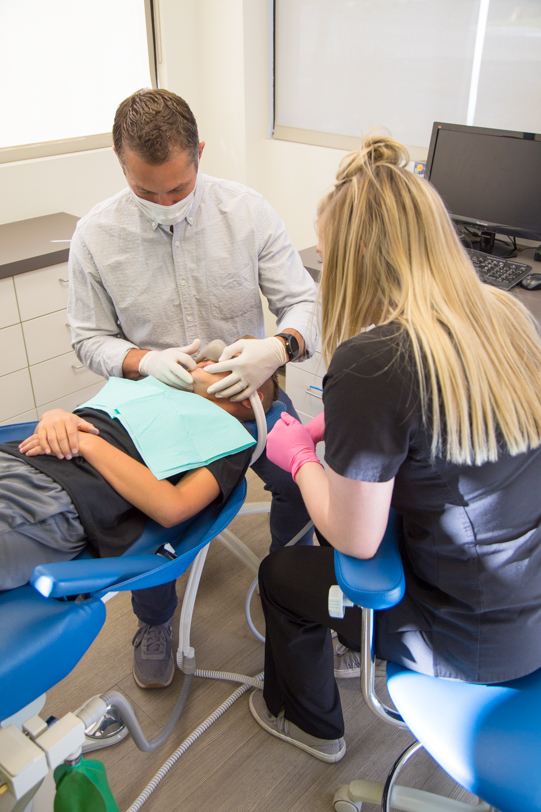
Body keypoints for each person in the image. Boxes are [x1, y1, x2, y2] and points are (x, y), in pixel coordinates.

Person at [248, 134, 541, 763]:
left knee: (281, 575)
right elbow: (440, 423)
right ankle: (351, 644)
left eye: (327, 259)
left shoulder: (371, 361)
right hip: (529, 600)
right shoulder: (506, 313)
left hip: (469, 637)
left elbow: (355, 538)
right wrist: (347, 428)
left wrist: (299, 458)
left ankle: (313, 727)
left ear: (354, 263)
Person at [67, 88, 317, 684]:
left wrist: (277, 349)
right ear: (120, 162)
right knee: (150, 517)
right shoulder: (95, 236)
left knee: (304, 487)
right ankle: (154, 618)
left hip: (248, 403)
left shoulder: (247, 212)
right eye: (146, 192)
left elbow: (302, 302)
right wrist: (139, 362)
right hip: (156, 412)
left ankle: (289, 593)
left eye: (178, 189)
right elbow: (88, 338)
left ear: (199, 153)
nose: (165, 204)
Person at [0, 362, 279, 686]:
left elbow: (172, 508)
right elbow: (81, 419)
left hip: (54, 498)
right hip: (16, 457)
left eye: (222, 363)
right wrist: (55, 417)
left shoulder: (230, 440)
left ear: (249, 396)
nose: (205, 361)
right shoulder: (147, 387)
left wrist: (87, 444)